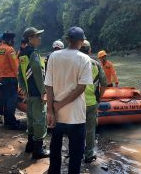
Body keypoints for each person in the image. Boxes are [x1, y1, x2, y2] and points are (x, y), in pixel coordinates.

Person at [45, 26, 93, 174]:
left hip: (57, 115)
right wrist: (58, 106)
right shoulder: (85, 59)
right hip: (76, 115)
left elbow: (48, 85)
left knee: (55, 149)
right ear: (82, 41)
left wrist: (51, 110)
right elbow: (80, 89)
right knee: (76, 154)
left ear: (67, 40)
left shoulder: (54, 56)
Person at [18, 27, 50, 159]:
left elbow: (19, 74)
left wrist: (25, 90)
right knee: (40, 120)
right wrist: (44, 92)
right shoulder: (34, 54)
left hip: (29, 93)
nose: (40, 38)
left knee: (31, 119)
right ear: (30, 38)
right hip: (37, 93)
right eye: (37, 36)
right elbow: (37, 73)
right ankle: (38, 150)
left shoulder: (22, 53)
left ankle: (30, 145)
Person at [79, 40, 107, 163]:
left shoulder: (74, 62)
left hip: (76, 102)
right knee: (90, 130)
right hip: (91, 102)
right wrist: (99, 98)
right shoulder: (96, 64)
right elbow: (104, 83)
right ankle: (89, 154)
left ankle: (75, 152)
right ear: (90, 51)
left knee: (75, 128)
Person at [0, 32, 20, 130]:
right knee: (11, 101)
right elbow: (15, 65)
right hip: (11, 78)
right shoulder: (10, 50)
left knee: (5, 100)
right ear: (9, 40)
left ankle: (7, 121)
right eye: (12, 39)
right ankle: (11, 122)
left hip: (2, 78)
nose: (13, 41)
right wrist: (18, 78)